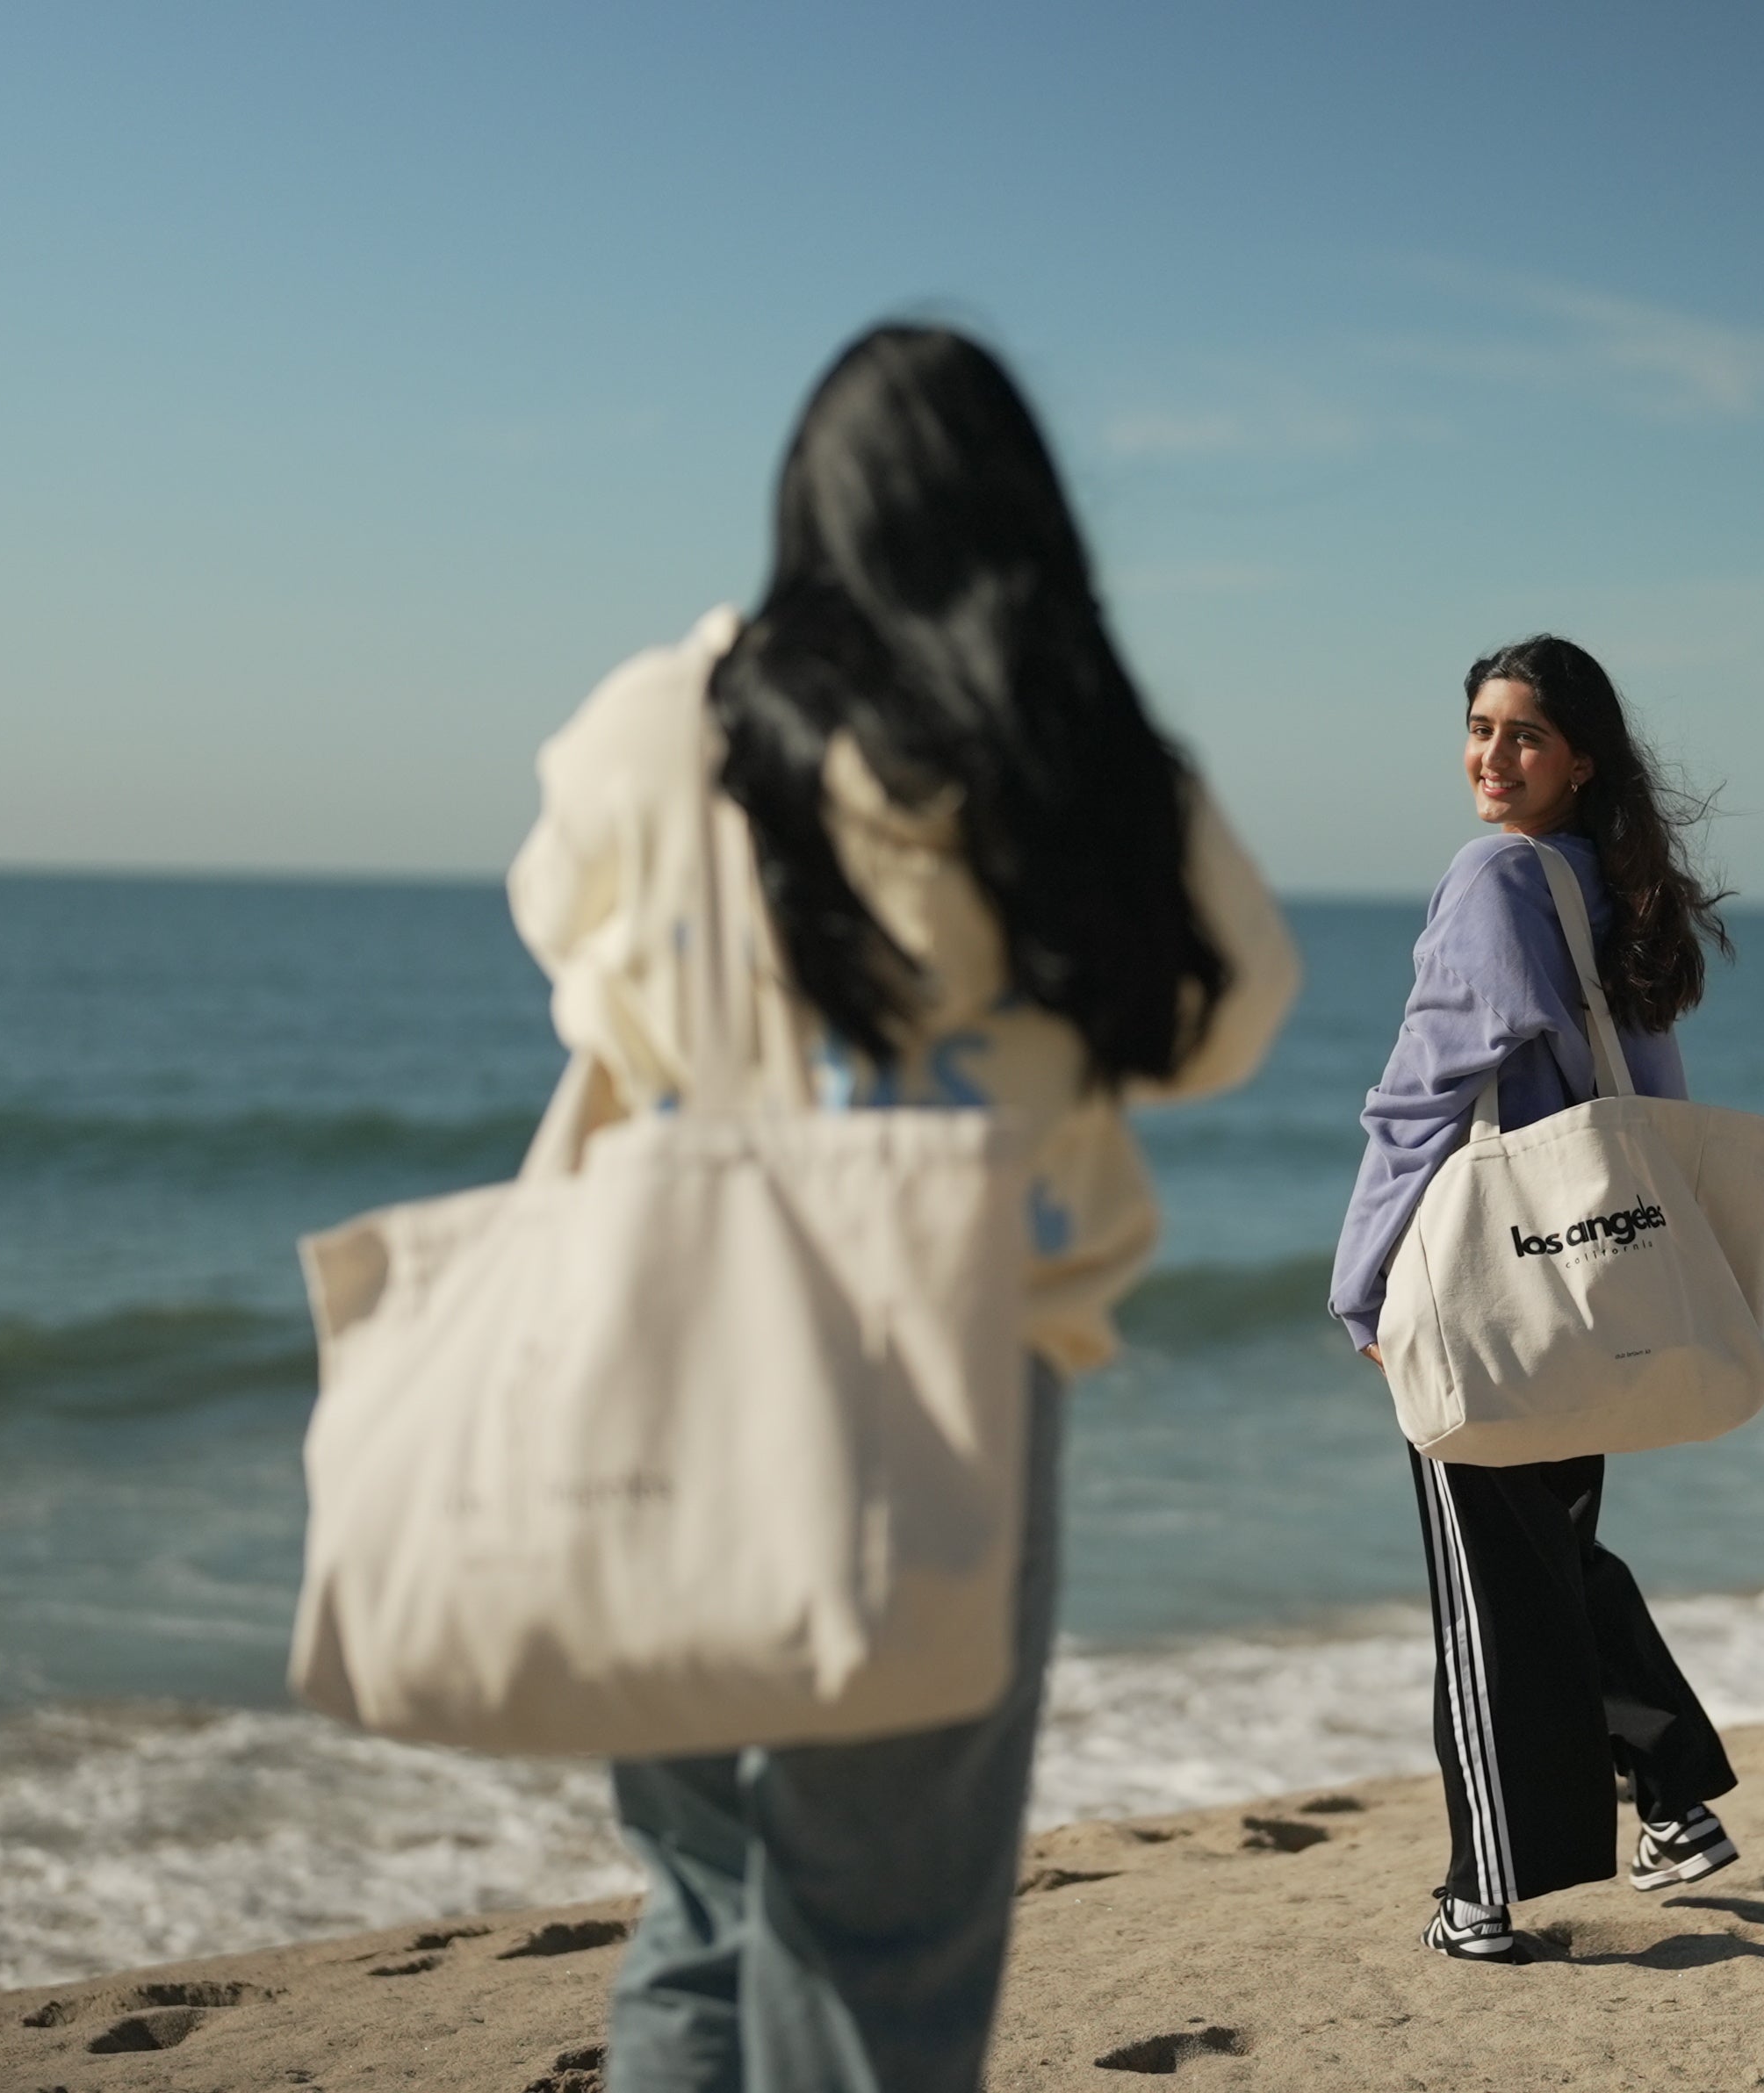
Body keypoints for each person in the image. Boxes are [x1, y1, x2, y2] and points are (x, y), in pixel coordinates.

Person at [507, 325, 1298, 2090]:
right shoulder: (1080, 759)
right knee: (879, 1956)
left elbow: (560, 926)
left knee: (702, 1914)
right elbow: (1232, 1005)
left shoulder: (662, 724)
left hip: (671, 1355)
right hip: (942, 1392)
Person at [1327, 635, 1742, 1965]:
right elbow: (1652, 1095)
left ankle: (1484, 1892)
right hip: (1587, 1278)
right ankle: (1670, 1792)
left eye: (1524, 735)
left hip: (1489, 1292)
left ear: (1579, 759)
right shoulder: (1608, 888)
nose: (1493, 758)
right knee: (1551, 1560)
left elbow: (1424, 1091)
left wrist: (1364, 1279)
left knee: (1486, 1592)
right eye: (1480, 728)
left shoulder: (1494, 876)